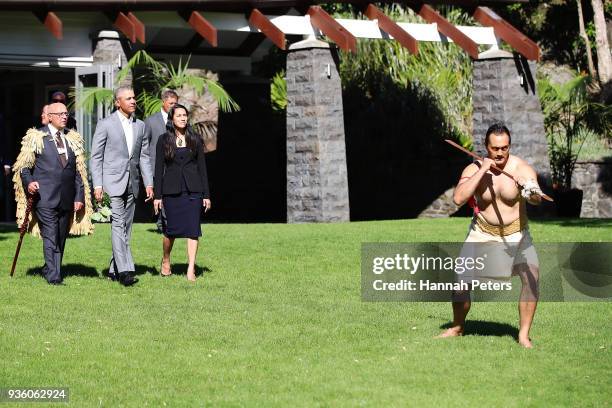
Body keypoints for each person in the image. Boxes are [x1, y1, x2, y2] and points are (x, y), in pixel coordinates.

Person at [438, 122, 543, 348]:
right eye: (495, 148)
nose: (500, 153)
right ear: (486, 147)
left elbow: (536, 196)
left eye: (504, 148)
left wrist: (530, 190)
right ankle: (457, 326)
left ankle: (523, 335)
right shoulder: (473, 169)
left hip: (516, 234)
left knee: (532, 278)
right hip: (482, 232)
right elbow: (458, 198)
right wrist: (483, 170)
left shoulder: (520, 168)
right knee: (460, 283)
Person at [13, 102, 94, 284]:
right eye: (60, 114)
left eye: (66, 113)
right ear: (49, 116)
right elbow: (24, 168)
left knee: (60, 236)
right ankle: (54, 276)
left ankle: (50, 268)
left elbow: (78, 172)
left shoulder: (72, 139)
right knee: (50, 234)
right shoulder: (36, 137)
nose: (64, 116)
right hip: (45, 197)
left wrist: (78, 196)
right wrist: (29, 183)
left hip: (66, 198)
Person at [90, 87, 154, 287]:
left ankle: (113, 269)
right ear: (118, 103)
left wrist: (149, 182)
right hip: (111, 183)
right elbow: (96, 156)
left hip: (132, 184)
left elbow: (143, 156)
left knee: (126, 227)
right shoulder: (105, 124)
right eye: (129, 98)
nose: (133, 101)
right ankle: (126, 271)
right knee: (118, 225)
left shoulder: (141, 126)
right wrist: (98, 184)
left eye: (134, 97)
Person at [153, 104, 211, 282]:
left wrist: (206, 195)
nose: (183, 118)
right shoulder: (164, 140)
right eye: (179, 115)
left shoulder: (195, 139)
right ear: (172, 119)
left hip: (193, 191)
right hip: (171, 192)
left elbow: (202, 168)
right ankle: (166, 259)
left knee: (193, 230)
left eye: (185, 115)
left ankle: (191, 268)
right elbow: (158, 168)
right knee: (170, 232)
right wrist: (158, 196)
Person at [145, 89, 178, 232]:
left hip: (174, 166)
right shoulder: (151, 121)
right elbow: (145, 145)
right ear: (163, 102)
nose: (173, 106)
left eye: (175, 103)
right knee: (160, 195)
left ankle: (166, 222)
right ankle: (162, 223)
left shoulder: (179, 120)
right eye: (171, 103)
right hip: (155, 165)